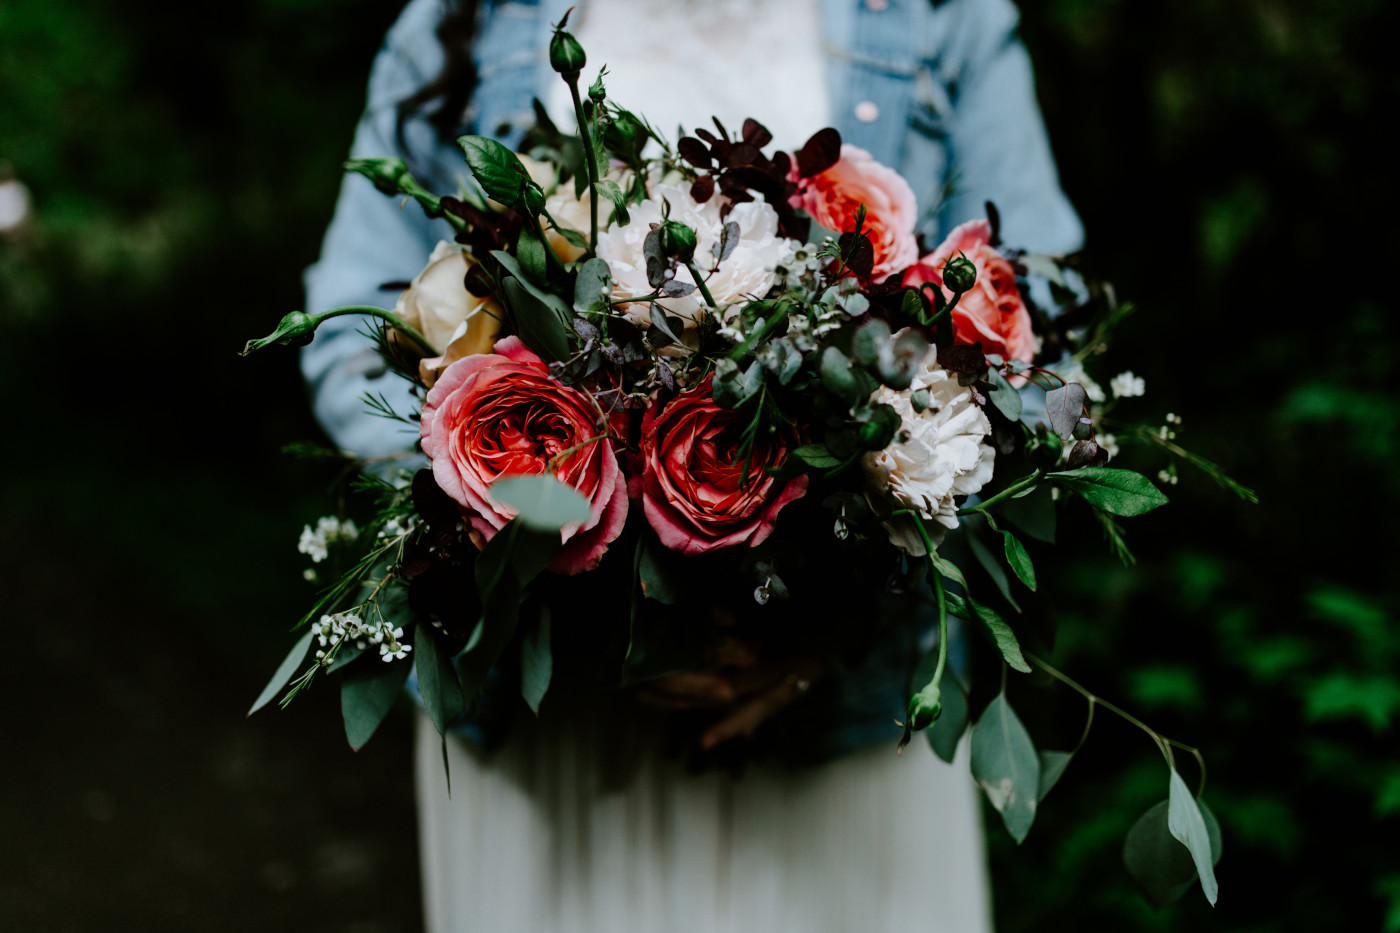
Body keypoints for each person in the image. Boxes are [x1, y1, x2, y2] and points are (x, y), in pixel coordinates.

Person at [302, 1, 1082, 930]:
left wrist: (835, 613)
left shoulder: (941, 19)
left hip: (832, 733)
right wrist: (506, 528)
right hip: (555, 741)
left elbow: (1038, 328)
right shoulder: (464, 16)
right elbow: (355, 324)